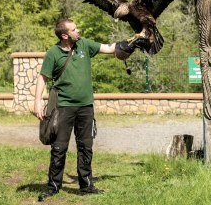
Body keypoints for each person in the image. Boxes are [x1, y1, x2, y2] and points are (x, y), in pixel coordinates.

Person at [33, 18, 143, 201]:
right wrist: (37, 101)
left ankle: (86, 186)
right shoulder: (53, 53)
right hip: (63, 107)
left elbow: (108, 48)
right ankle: (53, 186)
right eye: (74, 29)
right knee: (59, 148)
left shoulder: (84, 45)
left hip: (86, 107)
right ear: (64, 35)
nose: (79, 31)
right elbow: (42, 78)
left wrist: (131, 41)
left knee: (86, 147)